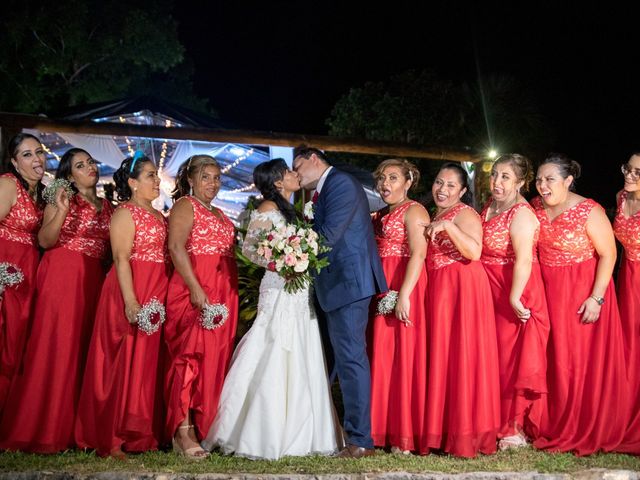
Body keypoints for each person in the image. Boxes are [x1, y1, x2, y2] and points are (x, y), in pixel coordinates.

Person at [202, 159, 338, 459]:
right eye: (289, 172)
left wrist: (300, 257)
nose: (295, 174)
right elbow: (251, 249)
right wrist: (281, 261)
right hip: (279, 286)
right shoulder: (267, 209)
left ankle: (303, 432)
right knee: (272, 344)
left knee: (302, 345)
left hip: (300, 288)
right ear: (277, 182)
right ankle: (257, 430)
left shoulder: (294, 211)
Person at [0, 148, 113, 452]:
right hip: (63, 273)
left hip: (92, 280)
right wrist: (61, 210)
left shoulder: (108, 206)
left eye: (90, 161)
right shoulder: (61, 195)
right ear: (69, 174)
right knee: (57, 348)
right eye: (80, 165)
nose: (89, 167)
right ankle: (44, 429)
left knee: (82, 350)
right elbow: (45, 241)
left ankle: (74, 430)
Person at [293, 147, 387, 458]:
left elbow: (329, 235)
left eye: (298, 167)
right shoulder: (324, 189)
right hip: (336, 284)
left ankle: (361, 440)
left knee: (350, 360)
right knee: (336, 361)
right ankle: (335, 430)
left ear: (314, 159)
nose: (296, 175)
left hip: (349, 283)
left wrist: (289, 255)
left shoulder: (341, 184)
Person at [531, 153, 628, 455]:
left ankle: (581, 423)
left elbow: (609, 255)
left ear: (568, 180)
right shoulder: (534, 207)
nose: (542, 185)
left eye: (549, 179)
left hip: (581, 291)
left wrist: (596, 298)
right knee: (552, 357)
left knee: (576, 362)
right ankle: (550, 419)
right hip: (546, 291)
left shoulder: (590, 210)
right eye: (538, 179)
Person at [75, 154, 170, 458]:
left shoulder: (159, 216)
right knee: (120, 360)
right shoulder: (124, 213)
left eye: (157, 176)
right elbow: (120, 258)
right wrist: (130, 300)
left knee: (144, 362)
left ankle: (139, 434)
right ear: (132, 182)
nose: (157, 181)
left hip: (156, 289)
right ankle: (111, 436)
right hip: (129, 289)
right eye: (150, 176)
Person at [422, 162, 500, 458]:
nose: (442, 190)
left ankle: (464, 432)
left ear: (463, 191)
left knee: (461, 357)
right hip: (441, 288)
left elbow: (474, 251)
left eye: (451, 185)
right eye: (439, 183)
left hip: (462, 288)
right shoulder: (434, 212)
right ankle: (441, 430)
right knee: (443, 356)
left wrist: (449, 227)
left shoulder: (465, 214)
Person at [165, 155, 238, 459]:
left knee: (213, 361)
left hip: (223, 293)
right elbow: (175, 246)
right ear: (191, 180)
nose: (213, 183)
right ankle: (182, 431)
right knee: (188, 359)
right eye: (206, 177)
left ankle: (204, 427)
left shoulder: (221, 213)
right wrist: (195, 288)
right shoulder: (186, 205)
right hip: (195, 287)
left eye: (217, 177)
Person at [479, 154, 550, 450]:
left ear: (521, 182)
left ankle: (513, 426)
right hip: (489, 289)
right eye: (495, 174)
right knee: (492, 357)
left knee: (512, 359)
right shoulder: (490, 206)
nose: (497, 181)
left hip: (516, 288)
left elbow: (523, 259)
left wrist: (513, 296)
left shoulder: (521, 213)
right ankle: (488, 417)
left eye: (506, 176)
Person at [368, 159, 429, 454]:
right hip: (381, 288)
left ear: (408, 182)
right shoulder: (379, 213)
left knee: (403, 357)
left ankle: (403, 433)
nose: (385, 183)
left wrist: (404, 293)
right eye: (381, 178)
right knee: (381, 357)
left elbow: (418, 254)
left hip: (403, 285)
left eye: (393, 177)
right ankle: (379, 428)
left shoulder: (414, 210)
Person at [0, 133, 45, 412]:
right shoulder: (8, 184)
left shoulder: (40, 193)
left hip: (28, 270)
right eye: (27, 154)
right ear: (15, 163)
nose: (36, 159)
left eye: (38, 152)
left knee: (16, 340)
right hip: (5, 265)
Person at [613, 152, 640, 454]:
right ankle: (624, 417)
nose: (630, 176)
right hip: (628, 277)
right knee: (630, 349)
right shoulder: (621, 196)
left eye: (637, 173)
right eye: (627, 169)